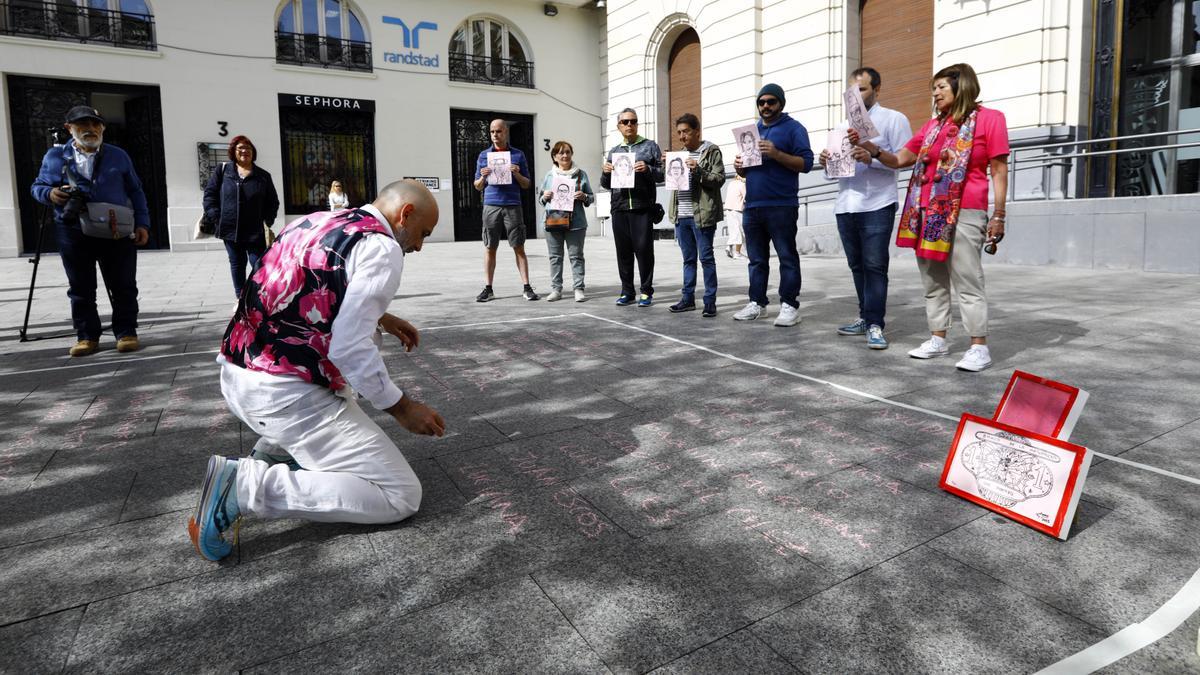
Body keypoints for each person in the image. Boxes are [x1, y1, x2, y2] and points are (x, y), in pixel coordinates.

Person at [188, 180, 445, 562]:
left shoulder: (316, 220)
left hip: (239, 373)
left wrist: (380, 315)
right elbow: (349, 347)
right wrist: (402, 407)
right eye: (423, 233)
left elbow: (298, 284)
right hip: (286, 395)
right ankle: (244, 487)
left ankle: (274, 453)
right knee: (401, 495)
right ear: (405, 214)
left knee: (341, 388)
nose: (420, 245)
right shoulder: (382, 247)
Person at [849, 63, 1009, 372]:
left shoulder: (991, 120)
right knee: (933, 279)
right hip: (929, 213)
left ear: (961, 87)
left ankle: (979, 346)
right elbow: (899, 159)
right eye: (933, 88)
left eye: (941, 88)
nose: (934, 93)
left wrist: (999, 214)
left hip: (966, 209)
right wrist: (870, 148)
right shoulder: (932, 127)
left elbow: (999, 170)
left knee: (967, 278)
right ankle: (938, 338)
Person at [31, 105, 151, 357]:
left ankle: (126, 331)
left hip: (114, 228)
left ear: (103, 128)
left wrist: (142, 223)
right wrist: (50, 193)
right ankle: (87, 336)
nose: (90, 129)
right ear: (69, 128)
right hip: (73, 230)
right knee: (81, 287)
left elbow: (136, 190)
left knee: (123, 284)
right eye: (83, 124)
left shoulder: (118, 155)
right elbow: (38, 187)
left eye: (96, 124)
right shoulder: (54, 158)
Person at [818, 67, 911, 350]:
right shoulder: (840, 126)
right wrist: (826, 163)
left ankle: (875, 324)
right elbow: (832, 174)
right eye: (851, 91)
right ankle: (864, 315)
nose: (855, 96)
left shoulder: (893, 119)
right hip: (846, 205)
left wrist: (873, 157)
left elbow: (905, 159)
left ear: (877, 90)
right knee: (857, 265)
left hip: (877, 203)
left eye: (862, 89)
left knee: (875, 266)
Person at [732, 84, 814, 327]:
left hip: (781, 204)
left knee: (787, 257)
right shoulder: (752, 131)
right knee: (756, 259)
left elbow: (806, 163)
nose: (765, 106)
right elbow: (747, 170)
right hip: (753, 204)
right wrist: (739, 166)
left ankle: (790, 306)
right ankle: (757, 303)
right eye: (761, 102)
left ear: (781, 103)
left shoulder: (794, 128)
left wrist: (777, 154)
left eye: (771, 102)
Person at [203, 135, 281, 300]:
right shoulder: (223, 171)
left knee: (258, 264)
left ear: (253, 152)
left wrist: (268, 220)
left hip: (255, 231)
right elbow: (210, 195)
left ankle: (259, 296)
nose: (245, 151)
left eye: (248, 148)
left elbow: (272, 201)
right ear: (233, 151)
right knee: (237, 264)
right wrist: (216, 216)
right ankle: (240, 298)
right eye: (240, 148)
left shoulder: (263, 176)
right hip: (230, 229)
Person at [600, 108, 663, 307]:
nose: (629, 125)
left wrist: (648, 169)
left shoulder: (650, 146)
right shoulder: (614, 151)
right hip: (619, 207)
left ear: (637, 124)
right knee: (623, 252)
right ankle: (627, 291)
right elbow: (605, 184)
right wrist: (605, 172)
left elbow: (662, 175)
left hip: (641, 206)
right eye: (625, 122)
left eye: (633, 121)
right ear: (619, 126)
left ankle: (646, 291)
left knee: (644, 250)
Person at [665, 113, 725, 317]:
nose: (682, 136)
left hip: (703, 215)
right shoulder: (678, 155)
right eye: (679, 132)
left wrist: (698, 170)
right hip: (682, 216)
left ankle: (710, 302)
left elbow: (718, 179)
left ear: (697, 131)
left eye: (686, 131)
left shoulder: (711, 151)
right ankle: (688, 299)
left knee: (706, 258)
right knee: (688, 259)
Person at [473, 119, 538, 302]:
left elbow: (527, 184)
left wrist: (516, 173)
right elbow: (477, 186)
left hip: (512, 204)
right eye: (492, 131)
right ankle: (488, 288)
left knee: (519, 247)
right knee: (490, 247)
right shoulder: (484, 156)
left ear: (506, 132)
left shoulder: (518, 155)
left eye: (499, 131)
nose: (495, 135)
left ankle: (527, 287)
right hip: (491, 205)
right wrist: (483, 178)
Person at [538, 140, 594, 302]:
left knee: (576, 256)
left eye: (568, 152)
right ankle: (556, 289)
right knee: (555, 257)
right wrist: (545, 196)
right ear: (554, 157)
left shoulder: (580, 174)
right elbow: (541, 200)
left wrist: (584, 197)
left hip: (576, 223)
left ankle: (578, 288)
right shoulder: (550, 176)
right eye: (561, 153)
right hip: (553, 221)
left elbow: (590, 197)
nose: (565, 155)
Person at [724, 175, 747, 259]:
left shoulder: (731, 183)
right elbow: (746, 197)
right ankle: (737, 253)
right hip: (738, 209)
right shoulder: (742, 185)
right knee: (741, 231)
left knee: (734, 230)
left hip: (728, 209)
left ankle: (729, 246)